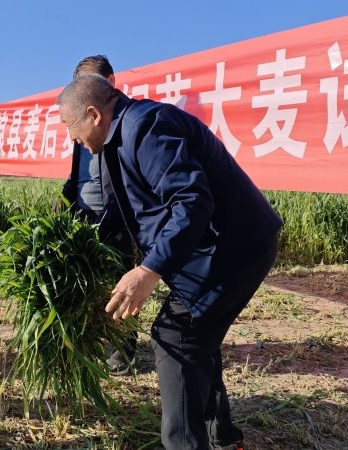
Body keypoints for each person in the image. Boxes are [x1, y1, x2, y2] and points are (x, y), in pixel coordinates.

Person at [57, 74, 282, 450]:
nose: (71, 138)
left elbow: (192, 201)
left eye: (70, 126)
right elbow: (121, 209)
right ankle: (221, 437)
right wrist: (75, 244)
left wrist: (148, 270)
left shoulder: (146, 126)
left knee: (176, 336)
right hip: (215, 250)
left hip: (235, 248)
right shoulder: (118, 138)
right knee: (196, 339)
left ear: (93, 114)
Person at [60, 55, 138, 376]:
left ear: (111, 81)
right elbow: (78, 174)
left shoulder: (120, 125)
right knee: (90, 287)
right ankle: (93, 345)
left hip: (116, 219)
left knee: (121, 287)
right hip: (84, 219)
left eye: (92, 82)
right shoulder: (82, 122)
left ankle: (122, 352)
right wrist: (65, 198)